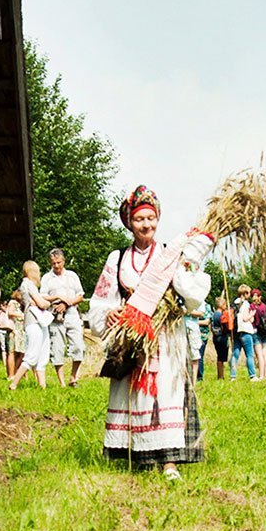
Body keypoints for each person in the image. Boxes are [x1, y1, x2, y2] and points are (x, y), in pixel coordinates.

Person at [89, 185, 213, 482]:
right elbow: (101, 299)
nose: (146, 224)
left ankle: (169, 462)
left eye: (150, 218)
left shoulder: (168, 254)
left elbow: (192, 292)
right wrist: (110, 312)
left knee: (166, 392)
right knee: (136, 394)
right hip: (133, 336)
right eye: (139, 219)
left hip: (166, 337)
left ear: (158, 219)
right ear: (129, 223)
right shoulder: (117, 258)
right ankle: (141, 453)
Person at [40, 248, 86, 387]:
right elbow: (42, 296)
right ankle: (62, 383)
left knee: (79, 346)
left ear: (63, 261)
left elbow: (81, 296)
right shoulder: (47, 278)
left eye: (59, 262)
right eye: (53, 263)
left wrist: (67, 303)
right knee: (57, 349)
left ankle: (73, 377)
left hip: (72, 315)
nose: (57, 266)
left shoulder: (72, 276)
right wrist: (57, 299)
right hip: (56, 318)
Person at [8, 261, 52, 389]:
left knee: (43, 354)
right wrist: (46, 303)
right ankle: (14, 383)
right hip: (34, 322)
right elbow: (42, 304)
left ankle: (42, 386)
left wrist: (40, 301)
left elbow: (38, 301)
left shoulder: (27, 285)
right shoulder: (28, 284)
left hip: (38, 322)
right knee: (32, 355)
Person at [230, 285, 258, 380]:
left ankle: (233, 376)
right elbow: (245, 318)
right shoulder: (245, 304)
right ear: (245, 293)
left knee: (235, 354)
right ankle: (252, 375)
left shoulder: (234, 303)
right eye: (249, 293)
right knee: (249, 354)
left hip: (236, 331)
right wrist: (252, 314)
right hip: (245, 331)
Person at [251, 290, 266, 381]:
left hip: (256, 331)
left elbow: (252, 320)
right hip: (265, 332)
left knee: (259, 354)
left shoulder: (252, 306)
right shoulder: (265, 307)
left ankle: (260, 375)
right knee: (265, 353)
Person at [0, 295, 20, 378]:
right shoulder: (13, 303)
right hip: (11, 330)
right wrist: (22, 315)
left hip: (15, 330)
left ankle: (14, 372)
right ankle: (11, 374)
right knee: (10, 351)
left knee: (17, 352)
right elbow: (10, 313)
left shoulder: (18, 303)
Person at [208, 295, 231, 380]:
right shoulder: (220, 315)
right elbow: (223, 326)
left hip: (215, 337)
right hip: (221, 337)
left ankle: (220, 375)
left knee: (219, 356)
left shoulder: (213, 314)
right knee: (221, 357)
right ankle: (221, 376)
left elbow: (211, 326)